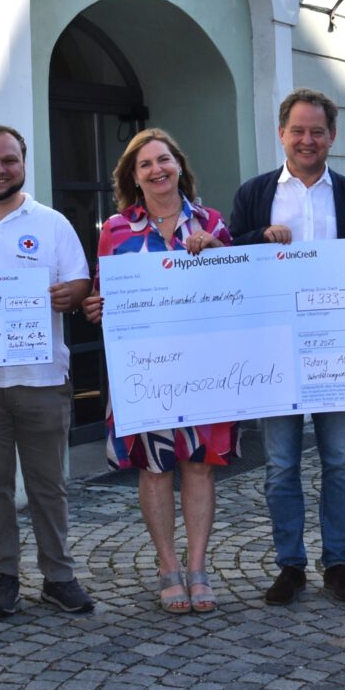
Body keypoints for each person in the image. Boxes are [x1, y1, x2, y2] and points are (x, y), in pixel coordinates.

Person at [81, 129, 238, 613]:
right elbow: (102, 293)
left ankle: (198, 568)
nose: (157, 170)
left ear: (179, 165)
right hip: (145, 369)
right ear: (133, 176)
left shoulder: (212, 222)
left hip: (204, 366)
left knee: (199, 465)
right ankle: (168, 567)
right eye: (145, 163)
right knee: (153, 468)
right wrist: (95, 307)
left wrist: (219, 252)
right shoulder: (115, 230)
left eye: (164, 159)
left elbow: (240, 289)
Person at [0, 125, 95, 619]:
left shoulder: (52, 223)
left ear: (24, 163)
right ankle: (2, 575)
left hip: (41, 376)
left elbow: (79, 281)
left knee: (49, 486)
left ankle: (59, 576)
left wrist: (70, 294)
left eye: (9, 160)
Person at [230, 89, 345, 606]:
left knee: (340, 461)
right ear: (281, 134)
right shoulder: (255, 193)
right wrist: (259, 238)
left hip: (337, 348)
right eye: (298, 130)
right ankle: (290, 565)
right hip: (275, 347)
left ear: (332, 136)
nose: (307, 140)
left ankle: (337, 563)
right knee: (279, 465)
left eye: (317, 131)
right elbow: (233, 258)